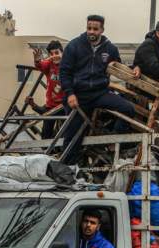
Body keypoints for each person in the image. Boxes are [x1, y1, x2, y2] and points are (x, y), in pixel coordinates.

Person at [59, 15, 135, 164]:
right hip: (78, 95)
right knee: (74, 135)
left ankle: (112, 143)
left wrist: (135, 68)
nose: (91, 32)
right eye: (89, 28)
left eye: (95, 29)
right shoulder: (74, 46)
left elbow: (119, 66)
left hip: (100, 93)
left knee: (128, 109)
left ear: (102, 30)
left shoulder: (110, 48)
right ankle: (67, 168)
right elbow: (64, 72)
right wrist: (70, 94)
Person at [32, 40, 66, 139]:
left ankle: (62, 150)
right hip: (51, 105)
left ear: (62, 52)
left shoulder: (67, 64)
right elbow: (40, 65)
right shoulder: (49, 64)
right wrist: (37, 60)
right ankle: (46, 151)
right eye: (51, 54)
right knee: (46, 133)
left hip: (65, 105)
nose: (54, 56)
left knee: (65, 132)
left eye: (57, 53)